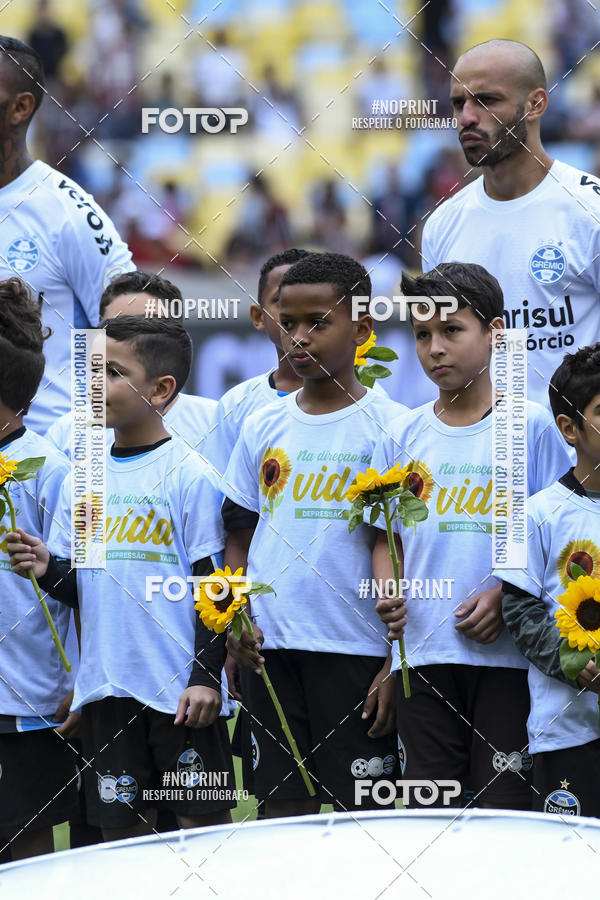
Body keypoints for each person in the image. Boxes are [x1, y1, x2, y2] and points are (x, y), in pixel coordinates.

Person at [7, 317, 234, 841]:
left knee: (204, 831)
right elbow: (80, 588)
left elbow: (215, 584)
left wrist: (205, 677)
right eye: (90, 371)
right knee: (123, 841)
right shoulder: (83, 476)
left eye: (111, 372)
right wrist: (46, 569)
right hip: (108, 693)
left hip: (179, 696)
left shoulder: (190, 474)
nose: (94, 386)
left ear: (161, 389)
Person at [372, 263, 572, 809]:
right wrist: (387, 598)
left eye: (452, 331)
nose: (435, 348)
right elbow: (383, 536)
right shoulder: (401, 433)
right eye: (421, 334)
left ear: (495, 334)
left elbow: (565, 537)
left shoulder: (534, 428)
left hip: (509, 662)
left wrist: (505, 593)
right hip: (424, 659)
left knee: (503, 817)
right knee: (429, 821)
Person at [223, 252, 408, 818]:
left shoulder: (393, 427)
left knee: (365, 825)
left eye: (317, 323)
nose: (298, 337)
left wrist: (393, 661)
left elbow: (394, 544)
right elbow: (238, 532)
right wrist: (234, 617)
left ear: (361, 329)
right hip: (269, 648)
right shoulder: (261, 424)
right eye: (288, 320)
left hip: (354, 651)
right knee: (280, 820)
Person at [420, 38, 600, 407]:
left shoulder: (590, 211)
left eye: (486, 100)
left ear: (536, 104)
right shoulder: (442, 225)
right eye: (459, 103)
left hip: (577, 458)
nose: (467, 117)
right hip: (481, 459)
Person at [0, 35, 133, 433]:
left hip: (46, 465)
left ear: (21, 107)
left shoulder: (67, 212)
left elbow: (129, 332)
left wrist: (84, 439)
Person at [496, 344, 600, 817]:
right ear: (569, 428)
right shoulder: (534, 514)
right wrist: (573, 661)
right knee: (571, 864)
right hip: (567, 729)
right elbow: (518, 609)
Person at [0, 277, 78, 861]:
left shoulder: (50, 470)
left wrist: (79, 681)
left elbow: (83, 585)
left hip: (29, 698)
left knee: (26, 850)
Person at [45, 270, 217, 465]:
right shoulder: (65, 435)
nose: (132, 338)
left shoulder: (216, 425)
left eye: (149, 325)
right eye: (116, 327)